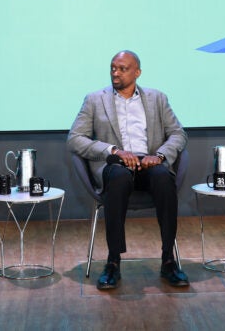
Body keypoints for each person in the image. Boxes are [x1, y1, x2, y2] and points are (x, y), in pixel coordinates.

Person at [67, 50, 189, 290]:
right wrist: (113, 151)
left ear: (137, 72)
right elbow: (74, 139)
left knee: (164, 177)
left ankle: (168, 260)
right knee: (120, 178)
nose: (116, 72)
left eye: (122, 68)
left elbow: (178, 133)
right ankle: (113, 261)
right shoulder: (94, 99)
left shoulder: (157, 98)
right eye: (113, 67)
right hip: (115, 165)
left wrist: (160, 156)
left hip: (148, 163)